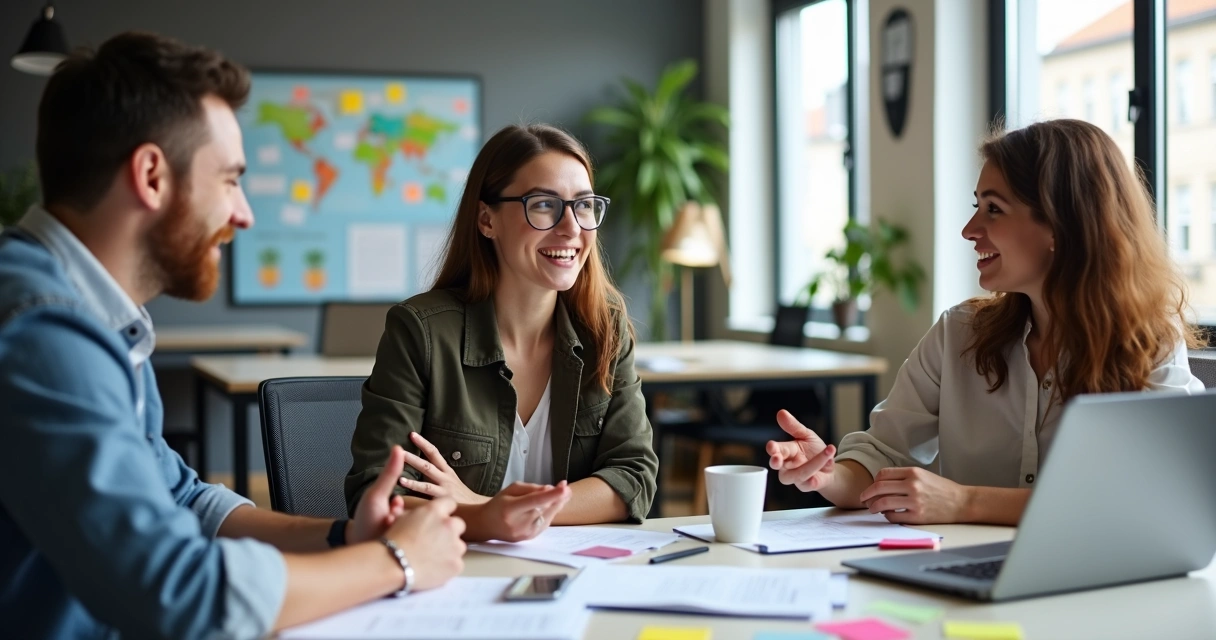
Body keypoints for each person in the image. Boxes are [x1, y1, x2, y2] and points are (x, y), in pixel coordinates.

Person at [0, 32, 466, 640]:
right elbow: (176, 592)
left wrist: (343, 536)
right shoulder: (43, 329)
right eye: (228, 180)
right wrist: (395, 562)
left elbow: (185, 500)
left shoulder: (97, 315)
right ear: (151, 175)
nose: (243, 213)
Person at [766, 119, 1204, 526]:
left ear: (1059, 224)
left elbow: (1152, 497)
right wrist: (826, 476)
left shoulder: (1149, 344)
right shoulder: (958, 333)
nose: (970, 229)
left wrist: (962, 502)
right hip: (962, 579)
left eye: (993, 209)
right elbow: (882, 455)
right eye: (977, 206)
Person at [345, 124, 659, 541]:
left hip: (575, 575)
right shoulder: (420, 331)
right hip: (453, 574)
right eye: (544, 204)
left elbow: (634, 477)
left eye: (583, 205)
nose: (571, 228)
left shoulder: (605, 326)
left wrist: (482, 504)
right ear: (487, 219)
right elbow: (378, 494)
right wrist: (488, 519)